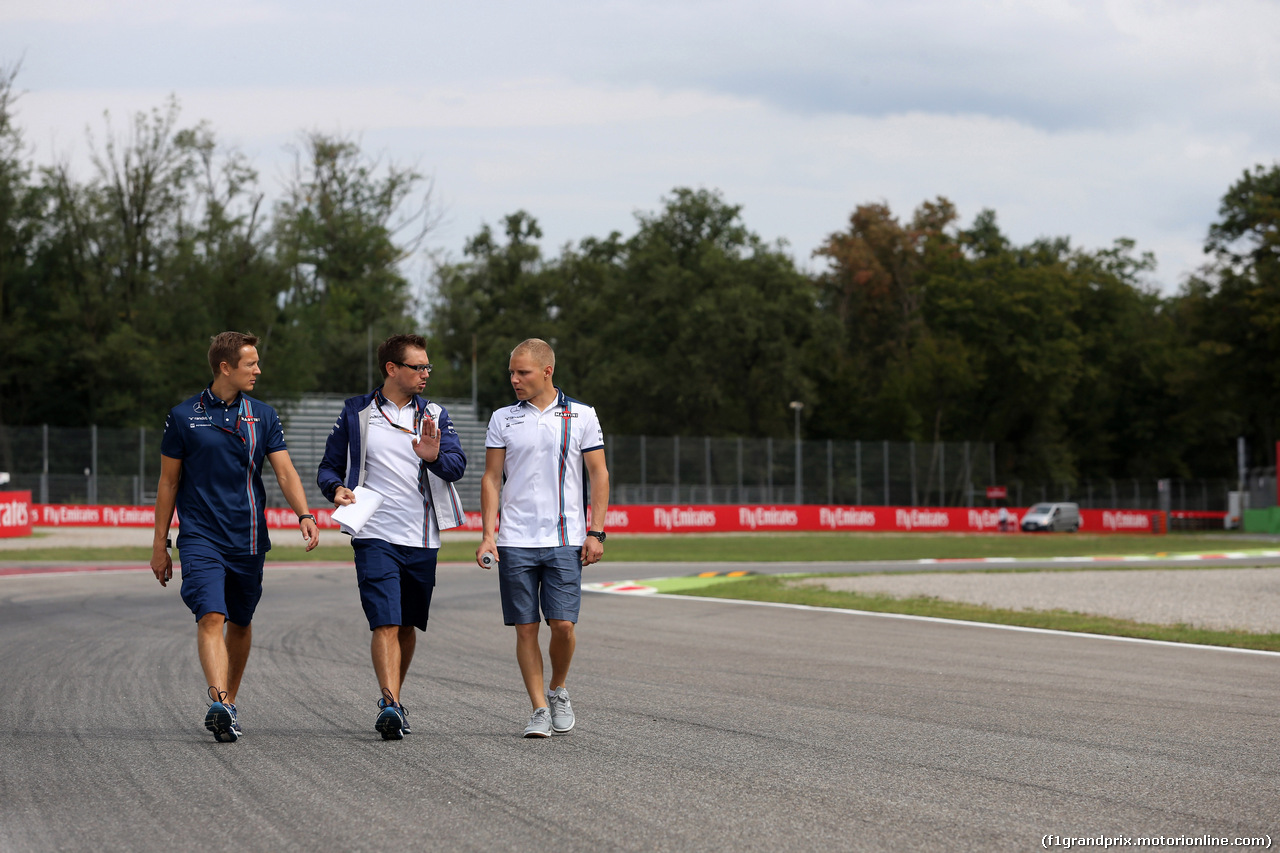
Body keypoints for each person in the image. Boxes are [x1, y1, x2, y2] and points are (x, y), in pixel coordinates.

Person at [150, 331, 319, 743]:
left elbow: (284, 471)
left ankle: (229, 705)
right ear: (225, 367)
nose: (258, 370)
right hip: (199, 537)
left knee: (241, 622)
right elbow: (168, 483)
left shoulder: (263, 415)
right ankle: (220, 700)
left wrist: (305, 514)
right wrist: (160, 544)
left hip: (248, 538)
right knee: (211, 616)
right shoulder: (183, 415)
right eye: (251, 364)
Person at [317, 334, 466, 740]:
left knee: (407, 626)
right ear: (392, 369)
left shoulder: (434, 413)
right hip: (374, 533)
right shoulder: (357, 412)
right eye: (418, 367)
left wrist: (433, 456)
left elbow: (456, 467)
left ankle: (396, 698)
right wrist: (334, 490)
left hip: (422, 537)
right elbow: (328, 467)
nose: (426, 373)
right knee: (385, 621)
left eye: (427, 367)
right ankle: (390, 704)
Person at [476, 338, 610, 738]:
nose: (515, 380)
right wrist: (488, 535)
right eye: (512, 373)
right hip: (514, 539)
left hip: (565, 538)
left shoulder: (582, 415)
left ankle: (558, 689)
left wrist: (596, 531)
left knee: (563, 626)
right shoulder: (503, 418)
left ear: (547, 371)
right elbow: (490, 477)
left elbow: (598, 475)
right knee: (526, 628)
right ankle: (537, 709)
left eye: (523, 372)